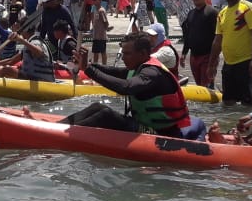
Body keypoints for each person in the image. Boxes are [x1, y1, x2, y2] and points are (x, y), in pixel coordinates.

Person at [59, 34, 191, 137]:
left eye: (127, 54)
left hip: (160, 134)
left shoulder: (152, 73)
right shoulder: (139, 66)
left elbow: (126, 87)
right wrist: (87, 64)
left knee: (106, 115)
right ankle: (57, 127)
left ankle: (60, 136)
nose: (123, 58)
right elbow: (114, 71)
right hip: (144, 125)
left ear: (143, 54)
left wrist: (89, 70)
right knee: (97, 107)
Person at [207, 0, 252, 106]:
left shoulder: (248, 9)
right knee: (227, 102)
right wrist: (211, 64)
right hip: (229, 64)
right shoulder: (222, 13)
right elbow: (217, 40)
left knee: (246, 104)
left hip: (248, 62)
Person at [181, 0, 218, 88]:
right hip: (194, 56)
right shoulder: (191, 13)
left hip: (208, 56)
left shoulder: (212, 12)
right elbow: (188, 35)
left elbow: (218, 36)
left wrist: (214, 59)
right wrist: (184, 53)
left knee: (206, 86)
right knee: (199, 86)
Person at [89, 0, 112, 65]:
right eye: (92, 0)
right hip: (96, 35)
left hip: (101, 36)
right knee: (95, 52)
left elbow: (105, 21)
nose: (93, 2)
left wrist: (106, 29)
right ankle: (95, 65)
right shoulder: (95, 10)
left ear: (99, 1)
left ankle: (104, 65)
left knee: (103, 52)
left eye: (95, 0)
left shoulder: (101, 10)